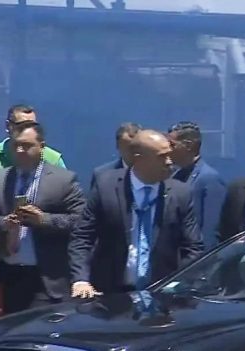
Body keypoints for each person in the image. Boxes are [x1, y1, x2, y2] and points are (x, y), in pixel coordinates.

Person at [69, 129, 204, 297]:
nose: (169, 162)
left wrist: (179, 283)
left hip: (161, 294)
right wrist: (81, 279)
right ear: (139, 158)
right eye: (162, 157)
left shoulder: (180, 193)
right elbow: (82, 237)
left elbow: (193, 247)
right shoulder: (106, 186)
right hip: (110, 293)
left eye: (170, 155)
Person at [0, 104, 66, 319]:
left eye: (32, 125)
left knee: (40, 313)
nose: (27, 129)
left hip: (38, 246)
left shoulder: (52, 158)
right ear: (8, 127)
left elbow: (66, 206)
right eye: (21, 125)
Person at [0, 121, 84, 314]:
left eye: (26, 146)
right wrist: (4, 223)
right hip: (12, 275)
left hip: (48, 277)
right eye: (16, 145)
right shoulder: (0, 179)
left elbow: (80, 220)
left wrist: (43, 220)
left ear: (41, 146)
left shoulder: (63, 180)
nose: (20, 150)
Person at [169, 121, 226, 249]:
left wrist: (204, 258)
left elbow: (210, 230)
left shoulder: (209, 178)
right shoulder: (174, 176)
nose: (168, 150)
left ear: (188, 145)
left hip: (195, 255)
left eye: (172, 145)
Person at [91, 122, 141, 188]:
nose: (133, 151)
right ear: (118, 145)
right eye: (128, 147)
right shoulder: (101, 175)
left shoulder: (154, 171)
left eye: (138, 146)